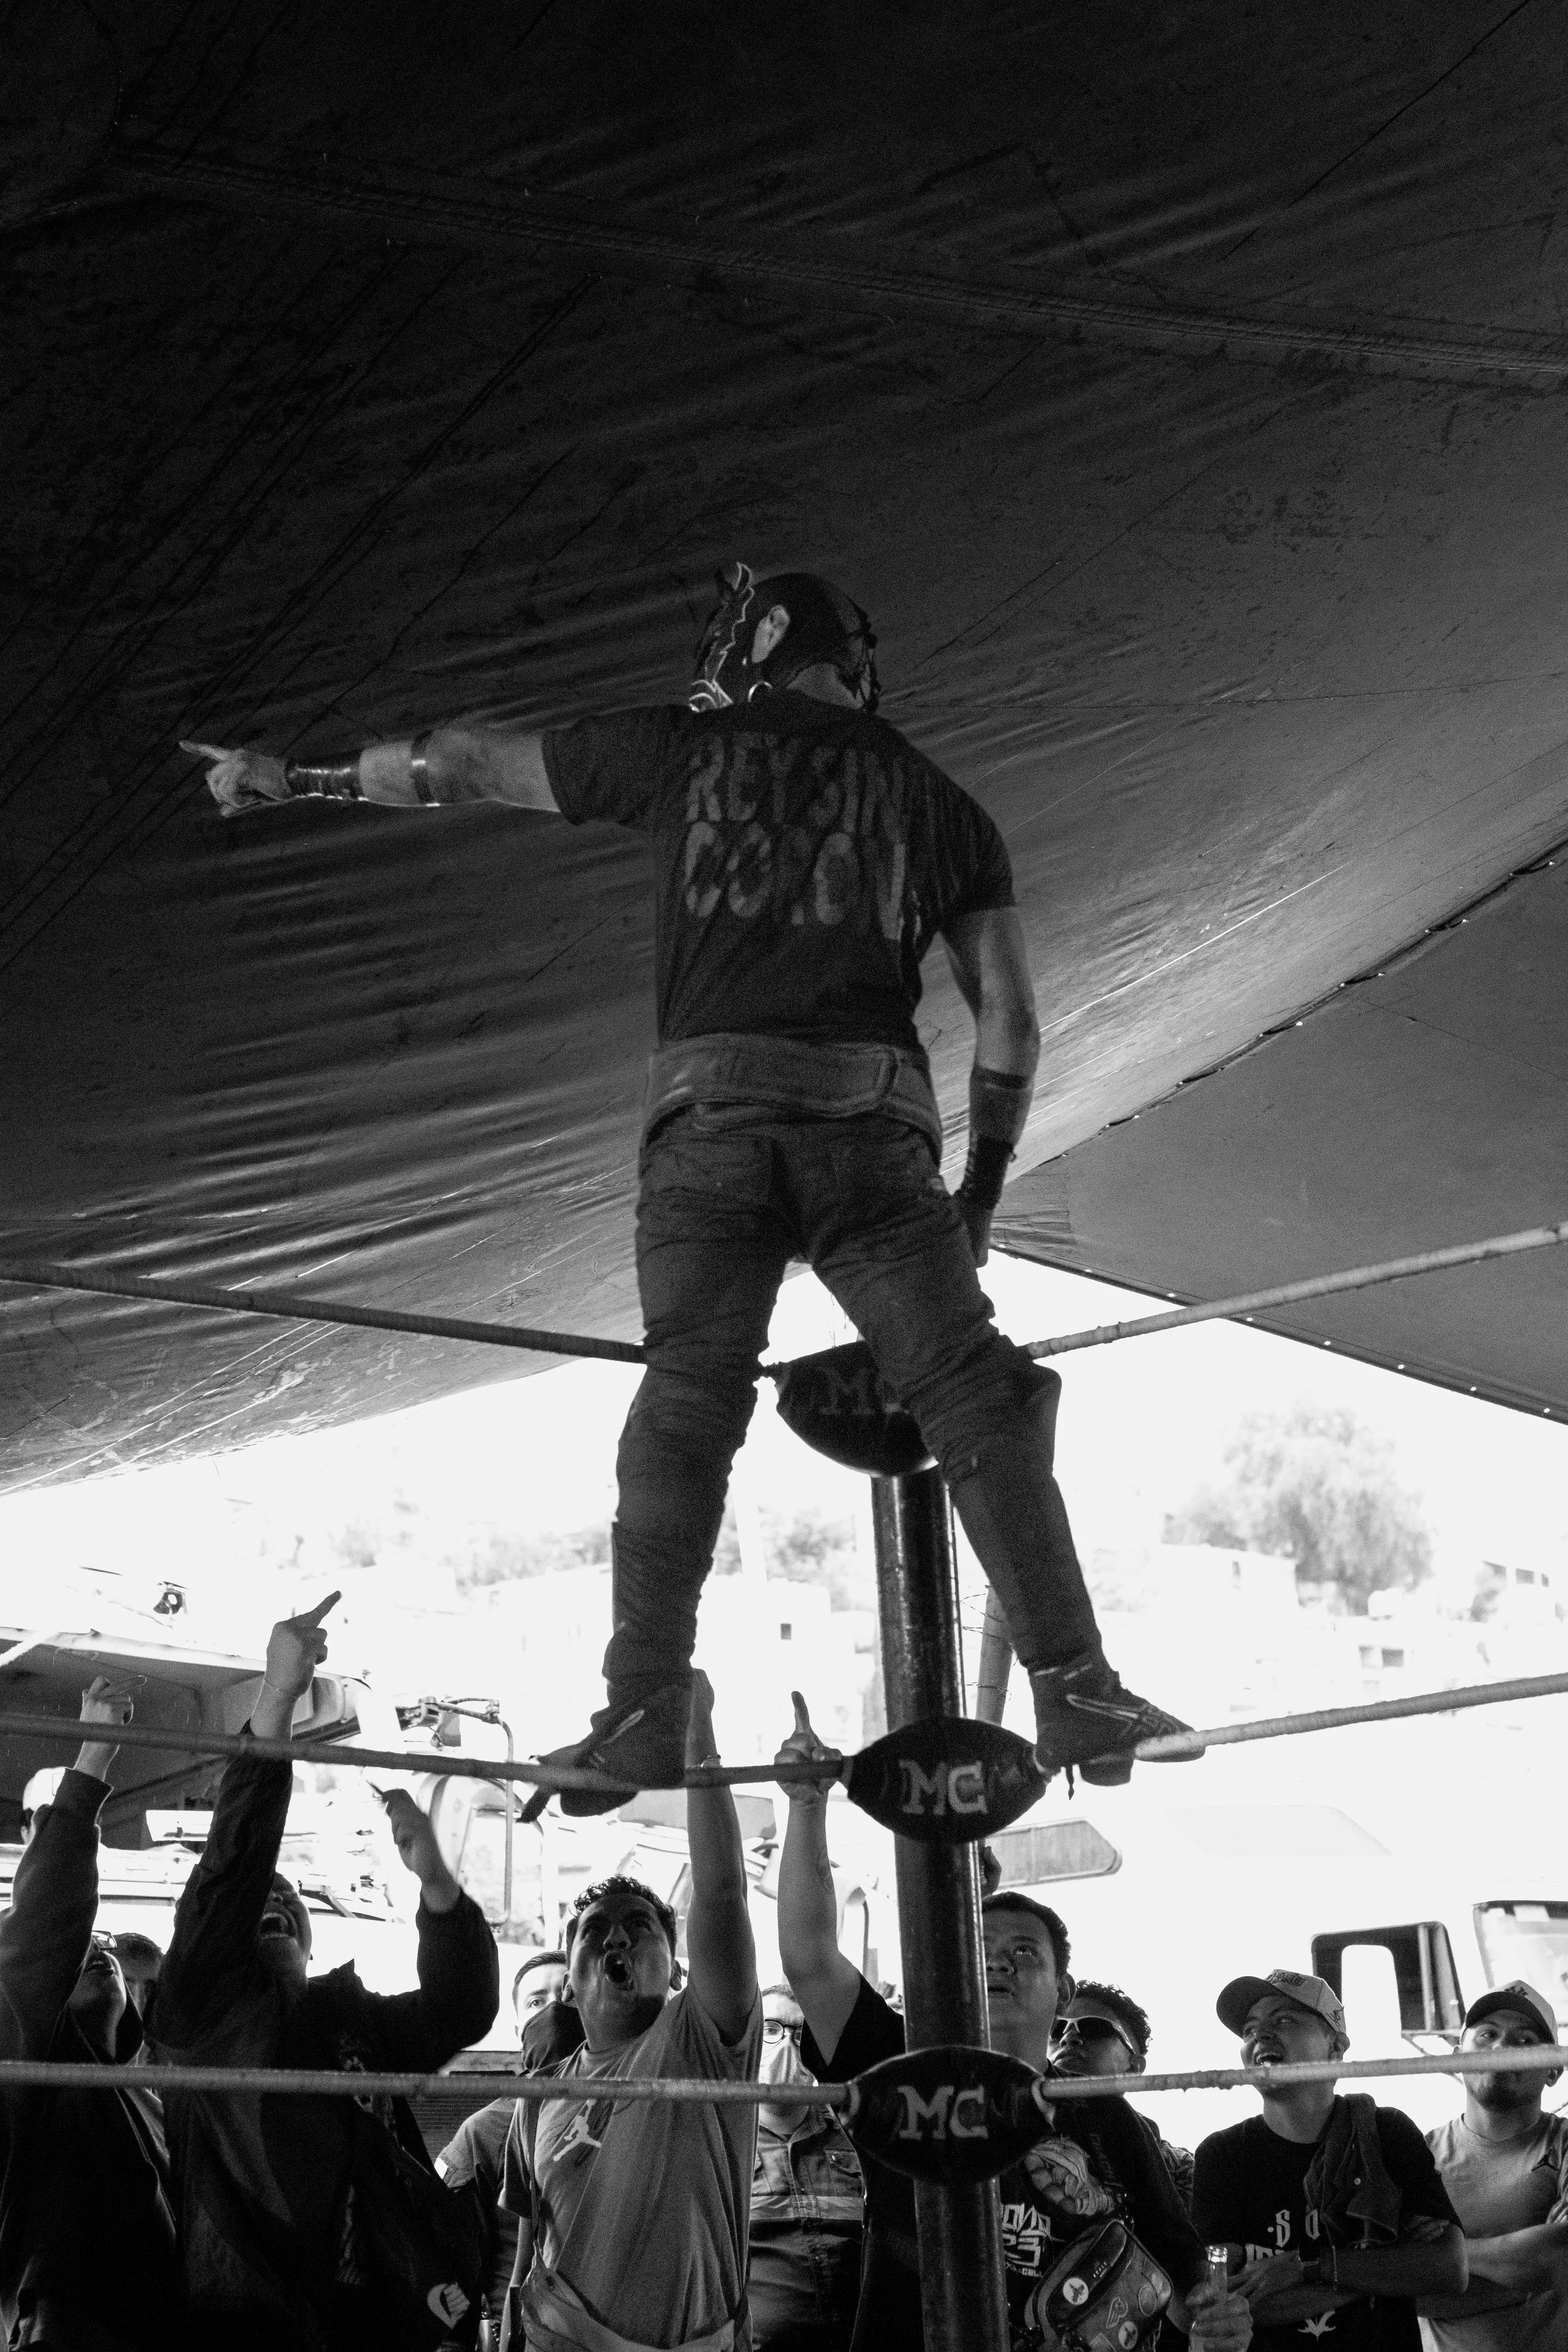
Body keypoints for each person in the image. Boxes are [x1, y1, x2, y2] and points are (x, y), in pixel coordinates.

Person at [187, 561, 1187, 1793]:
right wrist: (974, 1198)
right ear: (854, 667)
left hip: (706, 1130)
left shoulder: (677, 753)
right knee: (971, 1399)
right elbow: (1010, 1028)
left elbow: (452, 763)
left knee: (683, 1413)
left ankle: (641, 1714)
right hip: (871, 1139)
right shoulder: (942, 807)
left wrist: (291, 776)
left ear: (750, 654)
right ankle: (1077, 1692)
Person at [774, 1695, 1242, 2349]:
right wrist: (805, 1804)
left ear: (1063, 1991)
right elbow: (809, 1958)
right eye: (981, 1950)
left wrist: (1212, 2317)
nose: (998, 1965)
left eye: (1023, 1952)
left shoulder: (1099, 2114)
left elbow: (1183, 2270)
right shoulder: (902, 2066)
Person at [146, 1594, 500, 2351]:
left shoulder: (351, 2018)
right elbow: (230, 1872)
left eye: (293, 1896)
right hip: (248, 2326)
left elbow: (461, 2010)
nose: (276, 1898)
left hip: (380, 2319)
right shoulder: (195, 2013)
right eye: (260, 1899)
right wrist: (277, 1699)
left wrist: (437, 1885)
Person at [498, 1670, 761, 2349]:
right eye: (594, 1929)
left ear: (676, 1966)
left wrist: (701, 1735)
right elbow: (527, 2259)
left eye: (639, 1924)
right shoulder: (535, 2100)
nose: (616, 1934)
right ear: (568, 1978)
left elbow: (723, 1892)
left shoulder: (706, 2039)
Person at [0, 1675, 184, 2352]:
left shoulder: (151, 2094)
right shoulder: (29, 2082)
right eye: (79, 1951)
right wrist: (94, 1760)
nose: (96, 1950)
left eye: (102, 1947)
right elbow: (40, 1937)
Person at [1193, 1968, 1467, 2349]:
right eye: (1249, 2029)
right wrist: (1378, 2270)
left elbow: (1449, 2269)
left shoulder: (1386, 2133)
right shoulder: (1221, 2156)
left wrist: (1304, 2267)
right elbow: (1225, 2307)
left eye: (1284, 2019)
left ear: (1336, 2048)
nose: (1261, 2035)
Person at [435, 1954, 585, 2332]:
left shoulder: (630, 2112)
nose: (554, 2011)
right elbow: (444, 2257)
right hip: (517, 2329)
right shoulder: (485, 2132)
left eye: (568, 1996)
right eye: (537, 2001)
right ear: (519, 2026)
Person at [1417, 1979, 1568, 2349]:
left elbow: (1561, 2254)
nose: (1501, 2048)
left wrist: (1442, 2258)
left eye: (1524, 2041)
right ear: (1457, 2056)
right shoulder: (1419, 2153)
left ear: (1553, 2070)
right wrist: (1531, 2267)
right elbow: (1404, 2293)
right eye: (1487, 2035)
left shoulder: (1563, 2143)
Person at [749, 1983, 864, 2351]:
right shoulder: (723, 2142)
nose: (786, 2046)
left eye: (802, 2035)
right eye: (770, 2030)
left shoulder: (853, 2135)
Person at [1052, 1979, 1194, 2208]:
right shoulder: (1004, 2134)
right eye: (1055, 2029)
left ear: (1134, 2068)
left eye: (1096, 2029)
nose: (1068, 2038)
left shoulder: (1179, 2169)